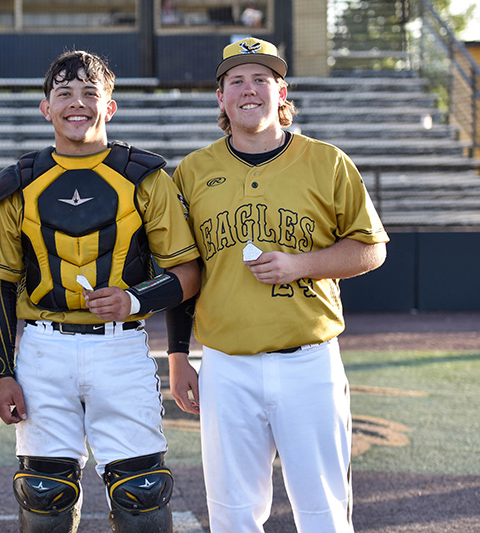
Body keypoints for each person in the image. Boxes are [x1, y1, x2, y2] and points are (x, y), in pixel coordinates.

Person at [166, 37, 389, 533]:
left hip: (308, 360)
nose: (250, 90)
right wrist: (179, 357)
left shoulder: (327, 161)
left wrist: (301, 264)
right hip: (225, 365)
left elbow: (371, 247)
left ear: (281, 91)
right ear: (220, 98)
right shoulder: (192, 172)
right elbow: (184, 271)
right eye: (237, 80)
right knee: (233, 515)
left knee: (324, 513)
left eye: (261, 79)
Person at [0, 50, 200, 533]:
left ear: (110, 105)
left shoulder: (145, 177)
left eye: (89, 93)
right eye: (63, 94)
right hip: (41, 351)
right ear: (46, 108)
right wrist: (3, 373)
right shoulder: (17, 185)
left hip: (120, 348)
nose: (76, 104)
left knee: (143, 497)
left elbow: (187, 274)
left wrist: (133, 300)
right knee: (44, 499)